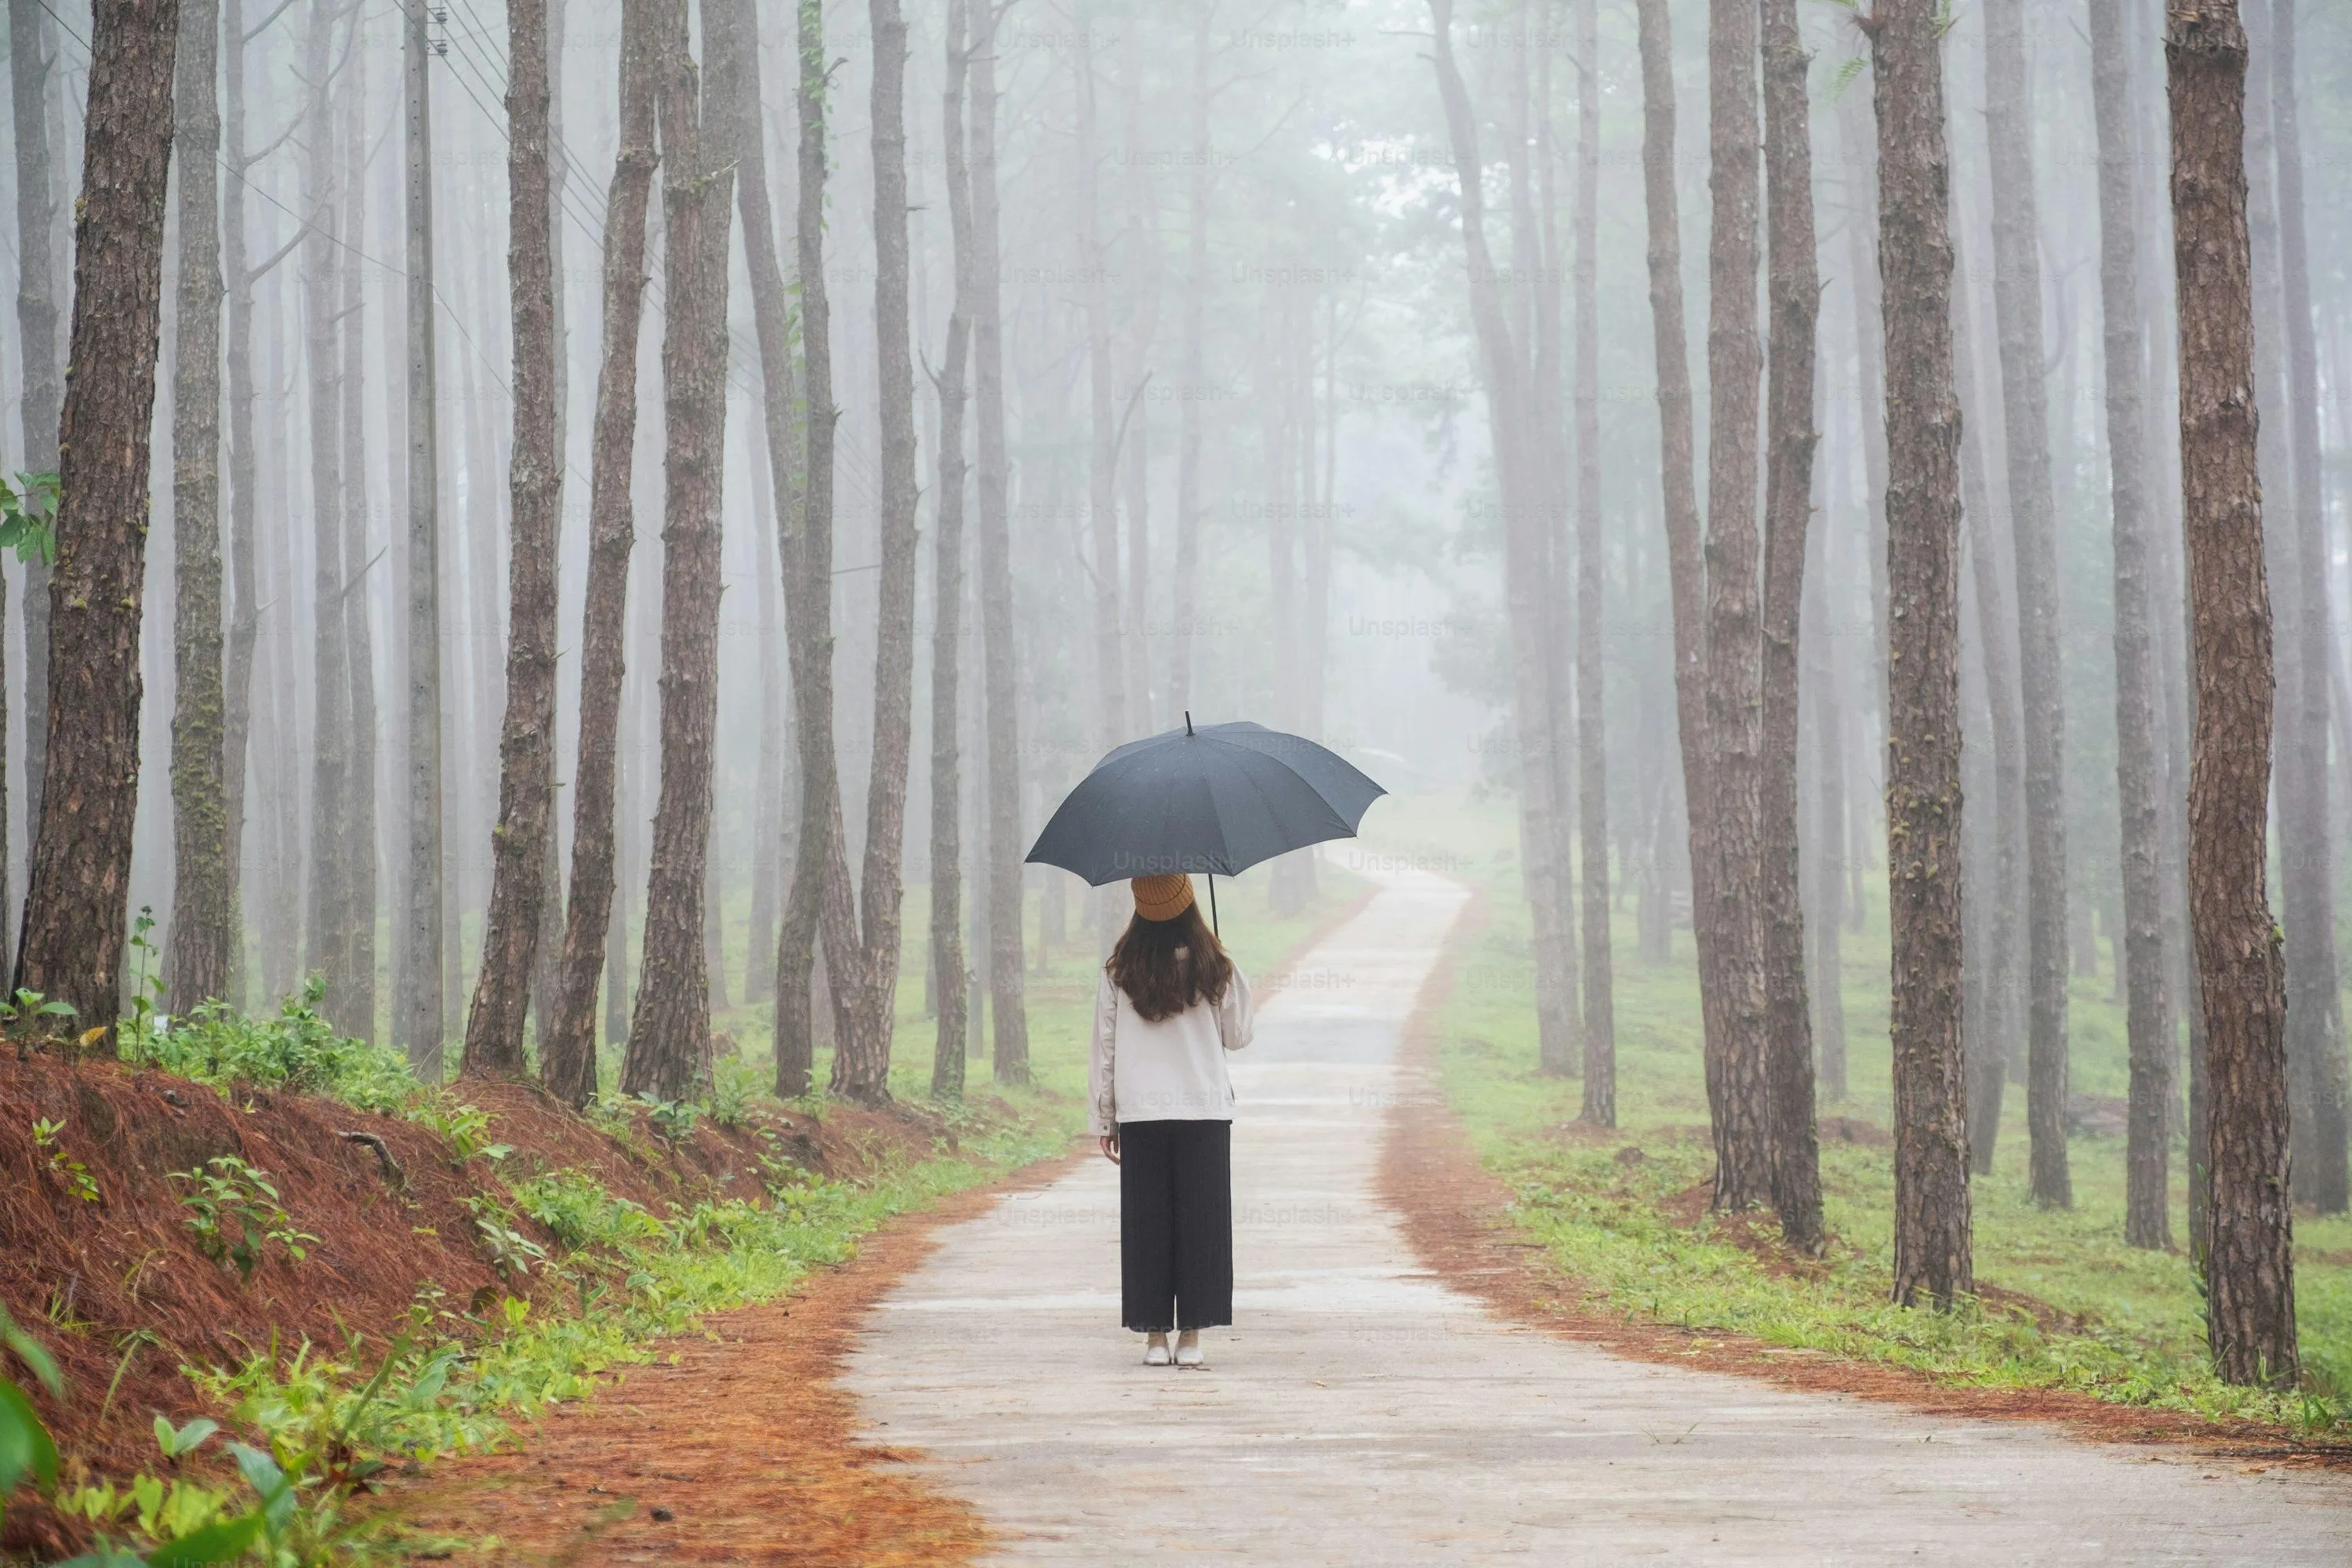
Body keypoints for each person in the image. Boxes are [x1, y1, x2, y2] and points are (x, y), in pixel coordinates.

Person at [1091, 872, 1254, 1368]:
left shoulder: (1119, 969)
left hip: (1142, 1113)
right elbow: (1238, 1035)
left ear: (1140, 909)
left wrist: (1105, 1117)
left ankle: (1154, 1339)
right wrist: (1228, 970)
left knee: (1147, 1225)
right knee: (1202, 1224)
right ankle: (1192, 1340)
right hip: (1203, 1110)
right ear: (1189, 904)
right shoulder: (1214, 965)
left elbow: (1107, 1048)